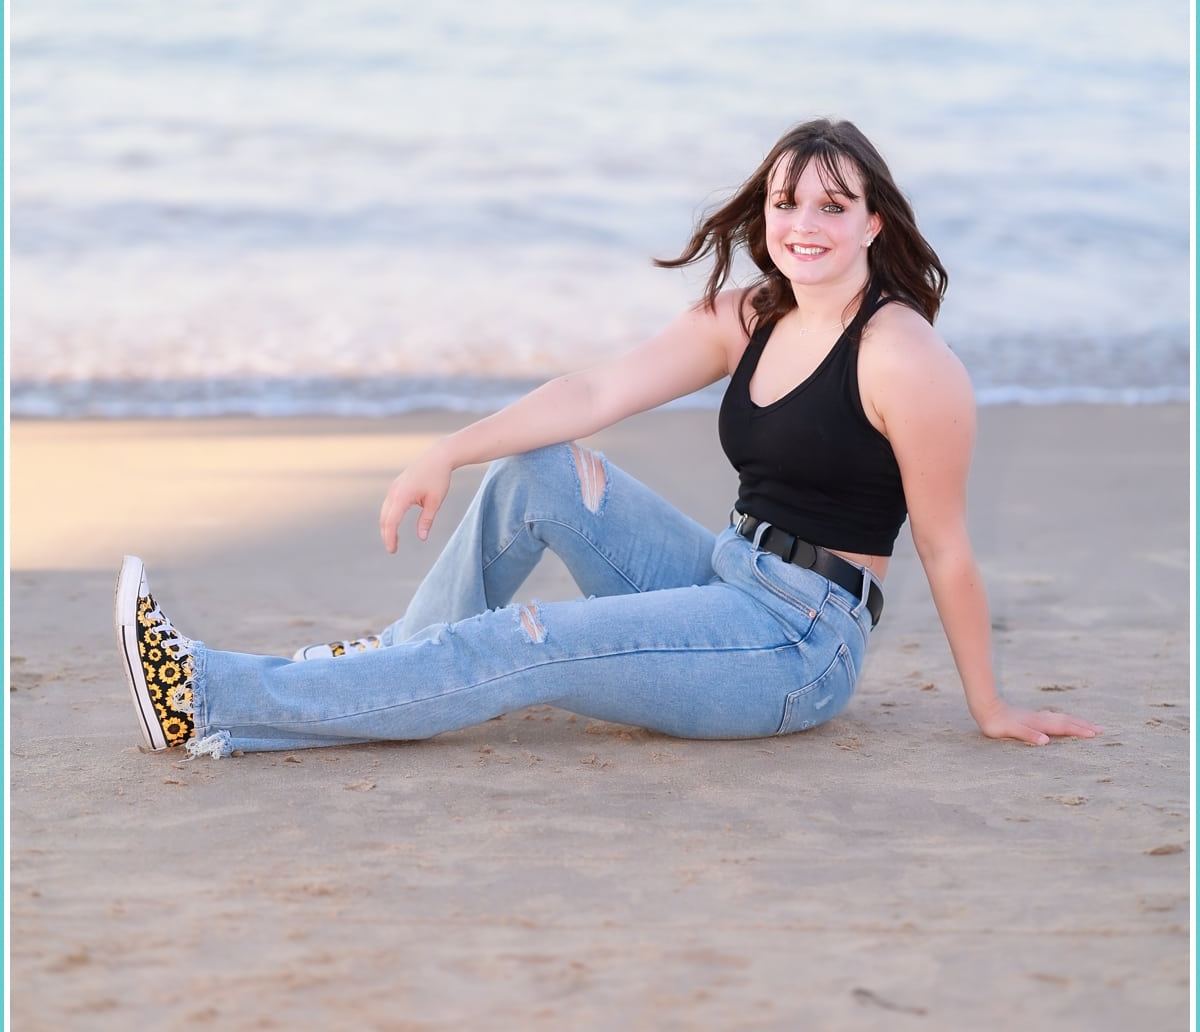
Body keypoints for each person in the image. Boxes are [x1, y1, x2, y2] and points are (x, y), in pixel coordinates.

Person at [115, 118, 1102, 759]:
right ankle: (391, 665)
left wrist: (991, 706)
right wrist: (450, 449)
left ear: (872, 223)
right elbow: (596, 390)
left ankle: (206, 694)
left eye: (831, 206)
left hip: (797, 644)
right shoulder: (748, 317)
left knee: (524, 642)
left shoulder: (903, 358)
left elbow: (945, 547)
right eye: (786, 201)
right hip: (722, 576)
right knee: (539, 468)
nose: (804, 223)